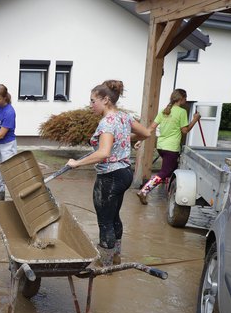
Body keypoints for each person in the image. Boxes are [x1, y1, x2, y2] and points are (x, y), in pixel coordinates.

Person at [65, 80, 151, 266]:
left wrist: (77, 163)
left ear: (105, 100)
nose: (90, 105)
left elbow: (103, 153)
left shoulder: (106, 123)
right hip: (124, 174)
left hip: (110, 177)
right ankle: (116, 257)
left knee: (105, 221)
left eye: (92, 101)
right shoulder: (124, 117)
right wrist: (124, 139)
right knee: (114, 217)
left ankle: (104, 264)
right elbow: (146, 134)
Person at [136, 89, 200, 205]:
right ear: (181, 99)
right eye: (185, 98)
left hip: (161, 146)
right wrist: (195, 120)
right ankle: (144, 191)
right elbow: (185, 131)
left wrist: (141, 140)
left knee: (173, 168)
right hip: (171, 148)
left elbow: (150, 128)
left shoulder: (163, 111)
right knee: (165, 171)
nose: (186, 100)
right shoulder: (181, 112)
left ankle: (168, 193)